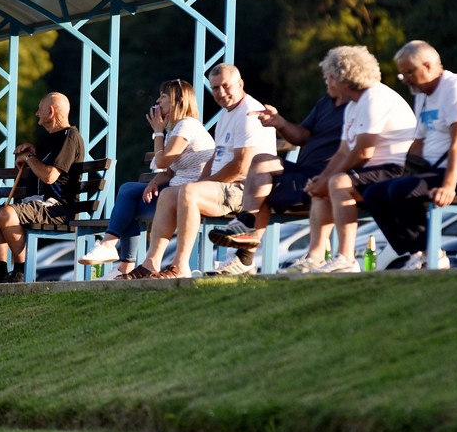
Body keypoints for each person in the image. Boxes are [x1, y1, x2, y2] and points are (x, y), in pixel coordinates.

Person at [123, 63, 277, 279]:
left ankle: (180, 266)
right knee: (167, 194)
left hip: (246, 190)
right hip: (223, 186)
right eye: (215, 88)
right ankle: (151, 263)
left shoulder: (249, 113)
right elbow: (215, 157)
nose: (221, 93)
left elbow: (241, 165)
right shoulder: (226, 114)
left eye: (226, 86)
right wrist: (202, 182)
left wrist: (203, 185)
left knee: (189, 193)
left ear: (240, 84)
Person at [205, 56, 347, 274]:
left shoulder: (360, 104)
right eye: (327, 77)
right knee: (261, 164)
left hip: (331, 175)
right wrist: (279, 121)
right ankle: (246, 227)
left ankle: (244, 252)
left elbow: (358, 148)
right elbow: (301, 135)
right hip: (304, 169)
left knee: (259, 185)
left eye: (330, 77)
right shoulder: (325, 103)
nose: (326, 81)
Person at [282, 46, 417, 274]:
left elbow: (363, 151)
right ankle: (314, 258)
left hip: (396, 171)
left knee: (336, 183)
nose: (327, 83)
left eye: (329, 77)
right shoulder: (354, 104)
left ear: (343, 77)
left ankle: (346, 257)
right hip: (373, 171)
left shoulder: (374, 97)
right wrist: (321, 180)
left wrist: (329, 179)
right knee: (322, 185)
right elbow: (343, 151)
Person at [361, 41, 457, 269]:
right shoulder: (422, 94)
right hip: (434, 172)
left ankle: (430, 254)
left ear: (429, 65)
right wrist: (403, 174)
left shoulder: (456, 88)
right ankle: (416, 252)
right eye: (403, 75)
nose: (407, 79)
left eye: (410, 72)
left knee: (402, 191)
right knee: (375, 193)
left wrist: (449, 186)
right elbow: (418, 144)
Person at [78, 79, 215, 275]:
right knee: (128, 197)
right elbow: (168, 171)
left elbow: (161, 162)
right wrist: (153, 182)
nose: (158, 101)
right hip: (173, 192)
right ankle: (122, 264)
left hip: (189, 197)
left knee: (128, 195)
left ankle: (113, 250)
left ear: (180, 100)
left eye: (164, 96)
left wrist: (157, 132)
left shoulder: (187, 125)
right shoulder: (175, 128)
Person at [0, 93, 85, 284]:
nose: (37, 113)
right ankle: (0, 271)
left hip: (57, 207)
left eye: (40, 109)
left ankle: (20, 271)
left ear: (50, 111)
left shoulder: (70, 136)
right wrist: (32, 152)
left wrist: (28, 158)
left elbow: (50, 176)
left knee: (6, 214)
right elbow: (40, 164)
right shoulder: (48, 138)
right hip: (35, 204)